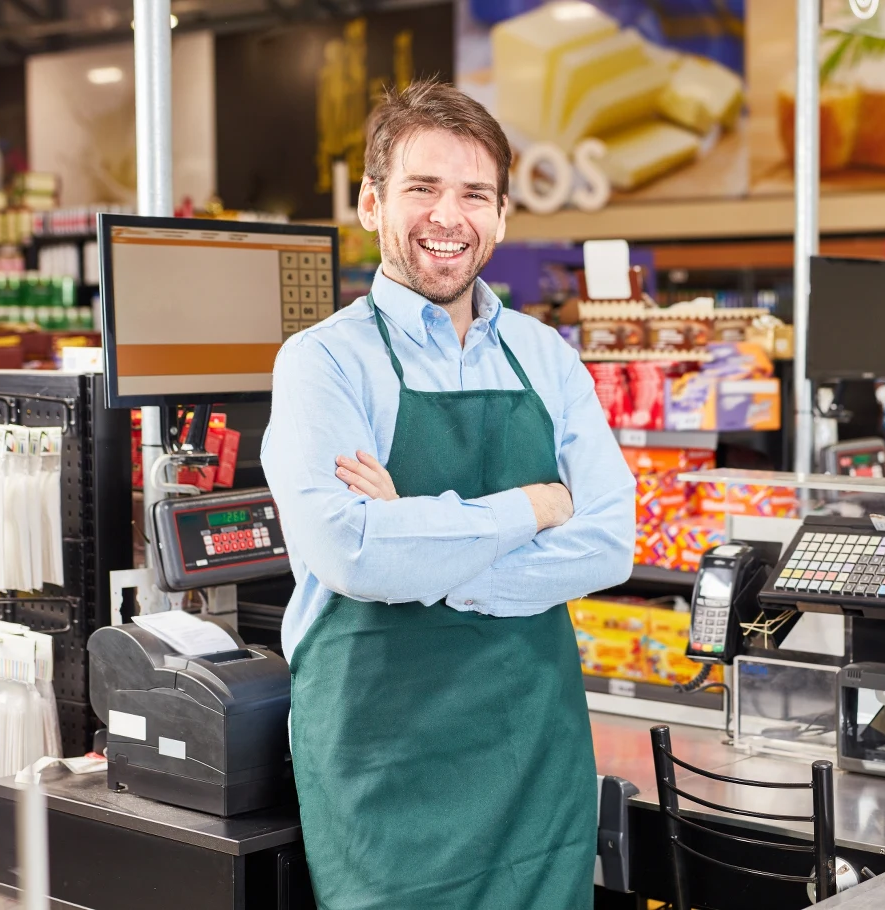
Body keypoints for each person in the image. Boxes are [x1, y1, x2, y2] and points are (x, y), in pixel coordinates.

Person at [261, 79, 635, 909]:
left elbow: (610, 542)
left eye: (474, 193)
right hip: (383, 768)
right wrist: (533, 509)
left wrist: (421, 546)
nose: (448, 215)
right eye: (422, 187)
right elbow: (354, 554)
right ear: (371, 204)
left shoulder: (547, 357)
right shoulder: (323, 363)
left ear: (500, 217)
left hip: (534, 754)